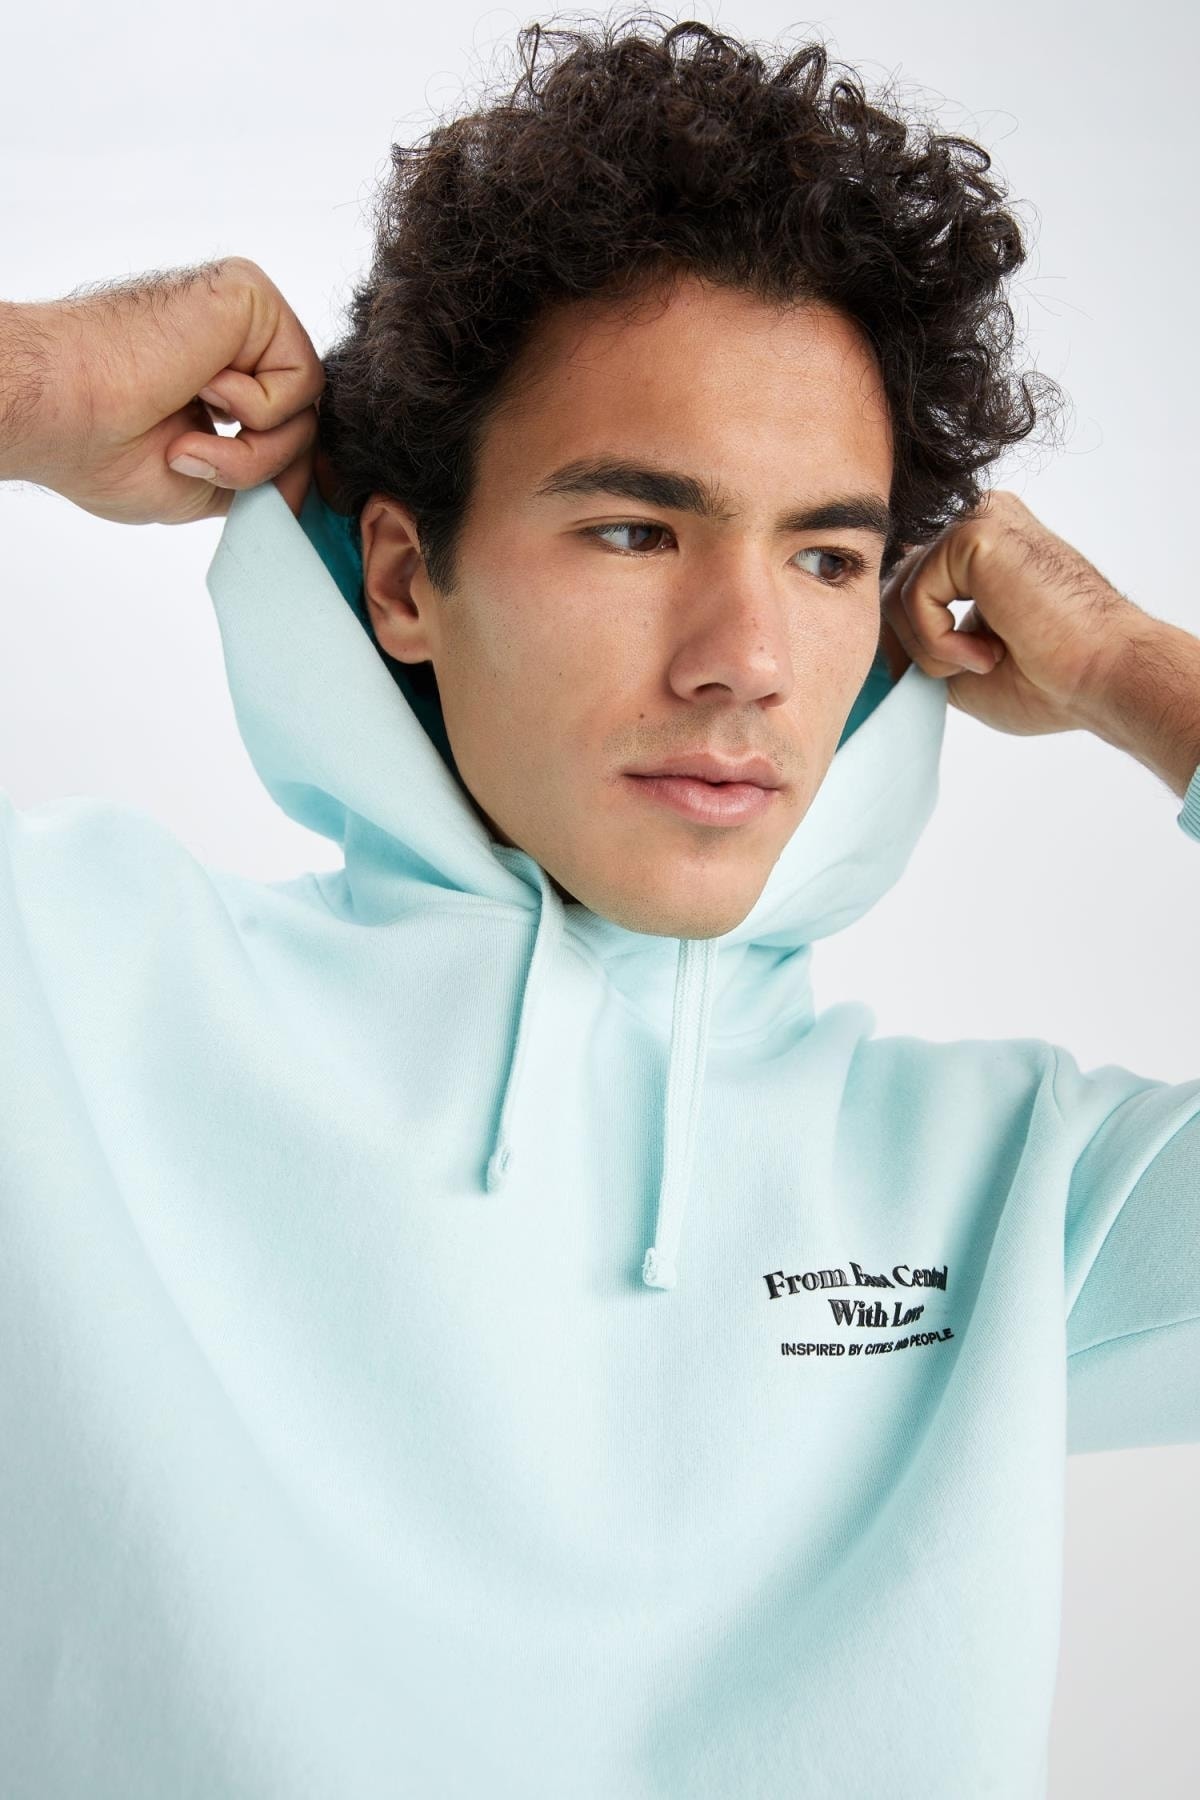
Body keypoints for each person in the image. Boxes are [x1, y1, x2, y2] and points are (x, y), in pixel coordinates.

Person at [2, 14, 1198, 1798]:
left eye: (826, 556)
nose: (746, 662)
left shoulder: (1015, 1195)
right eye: (638, 531)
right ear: (404, 579)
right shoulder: (68, 1000)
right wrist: (24, 380)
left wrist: (1138, 674)